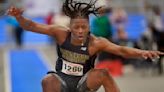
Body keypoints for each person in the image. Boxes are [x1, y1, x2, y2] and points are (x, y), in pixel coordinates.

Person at [7, 0, 164, 92]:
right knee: (47, 80)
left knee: (103, 73)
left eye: (84, 27)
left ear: (89, 26)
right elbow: (32, 25)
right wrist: (19, 17)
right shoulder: (60, 33)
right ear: (70, 26)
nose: (80, 31)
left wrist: (142, 52)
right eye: (76, 27)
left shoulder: (96, 42)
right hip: (61, 79)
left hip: (84, 82)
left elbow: (121, 50)